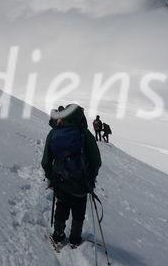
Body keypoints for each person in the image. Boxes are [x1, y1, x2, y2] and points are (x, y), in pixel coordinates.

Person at [42, 104, 102, 247]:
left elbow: (46, 161)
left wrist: (51, 176)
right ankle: (75, 239)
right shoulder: (85, 134)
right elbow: (96, 161)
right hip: (81, 183)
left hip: (60, 181)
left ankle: (58, 235)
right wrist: (91, 178)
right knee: (79, 210)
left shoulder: (54, 133)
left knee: (61, 206)